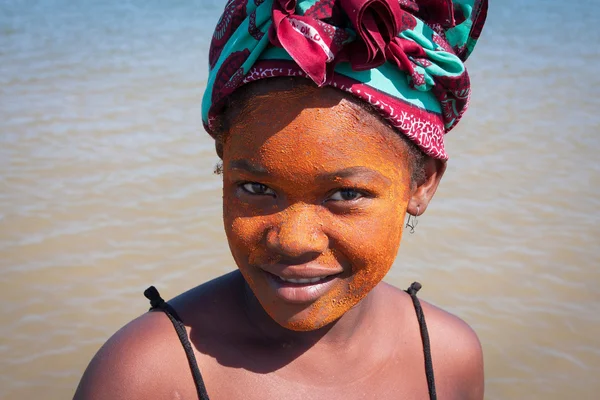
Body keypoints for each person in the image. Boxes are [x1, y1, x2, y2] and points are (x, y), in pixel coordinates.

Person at [74, 0, 488, 399]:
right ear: (225, 167)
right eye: (256, 188)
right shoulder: (144, 377)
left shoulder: (448, 357)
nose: (293, 240)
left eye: (345, 194)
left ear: (422, 185)